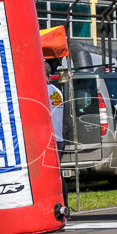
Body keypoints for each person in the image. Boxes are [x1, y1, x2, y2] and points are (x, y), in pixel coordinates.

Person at [46, 60, 68, 207]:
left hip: (49, 138)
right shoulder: (56, 91)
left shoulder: (42, 90)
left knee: (51, 176)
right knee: (57, 174)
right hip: (58, 137)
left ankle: (57, 205)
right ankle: (64, 204)